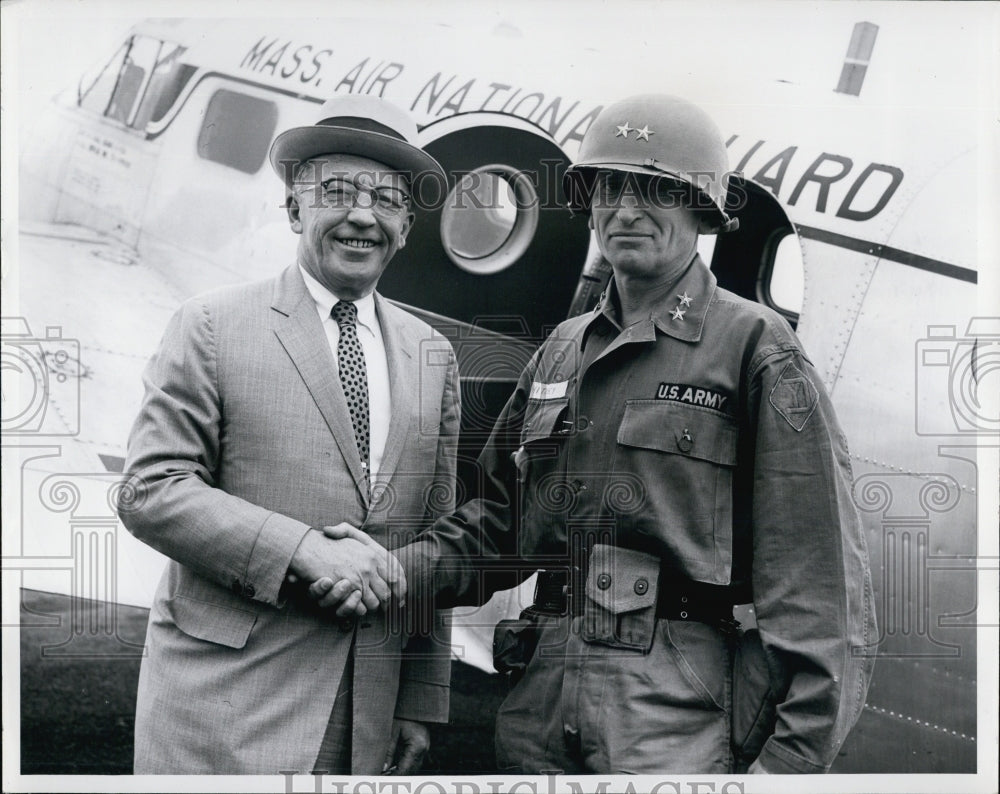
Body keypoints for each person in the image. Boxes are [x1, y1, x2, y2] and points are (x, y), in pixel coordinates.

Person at [345, 93, 877, 774]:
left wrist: (788, 770)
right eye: (609, 187)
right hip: (539, 701)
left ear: (700, 210)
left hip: (672, 716)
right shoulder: (563, 350)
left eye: (655, 189)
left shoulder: (756, 349)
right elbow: (498, 530)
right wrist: (386, 572)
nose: (626, 209)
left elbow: (818, 587)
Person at [117, 95, 460, 775]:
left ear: (407, 227)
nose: (362, 214)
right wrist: (301, 549)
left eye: (387, 200)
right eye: (336, 191)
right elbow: (149, 491)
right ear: (295, 208)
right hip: (221, 711)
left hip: (362, 716)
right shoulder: (211, 325)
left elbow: (433, 538)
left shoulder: (434, 354)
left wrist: (417, 699)